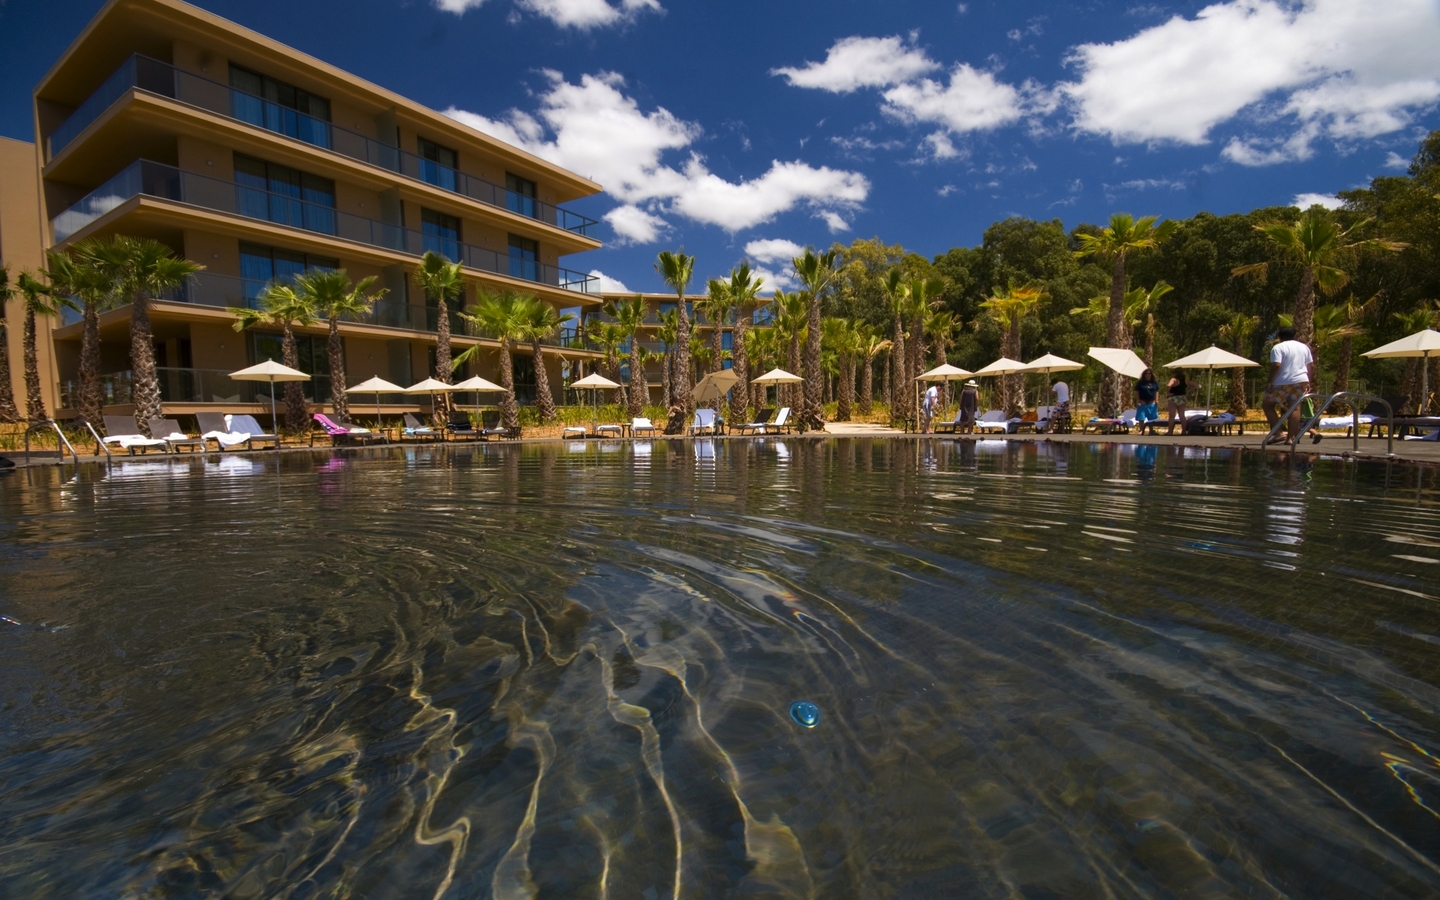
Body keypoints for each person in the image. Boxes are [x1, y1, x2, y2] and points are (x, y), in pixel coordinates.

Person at [1262, 325, 1316, 444]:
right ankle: (1291, 438)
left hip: (1282, 381)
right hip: (1301, 380)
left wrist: (1270, 381)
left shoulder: (1278, 347)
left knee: (1267, 405)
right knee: (1295, 408)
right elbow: (1311, 365)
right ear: (1294, 335)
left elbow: (1276, 365)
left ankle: (1279, 433)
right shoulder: (1304, 347)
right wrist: (1308, 381)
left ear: (1279, 337)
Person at [1166, 370, 1188, 435]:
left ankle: (1170, 432)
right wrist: (1188, 391)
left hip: (1174, 397)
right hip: (1182, 398)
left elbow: (1168, 385)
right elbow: (1197, 385)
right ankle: (1184, 431)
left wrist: (1168, 392)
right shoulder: (1185, 380)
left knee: (1172, 415)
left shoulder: (1174, 379)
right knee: (1182, 415)